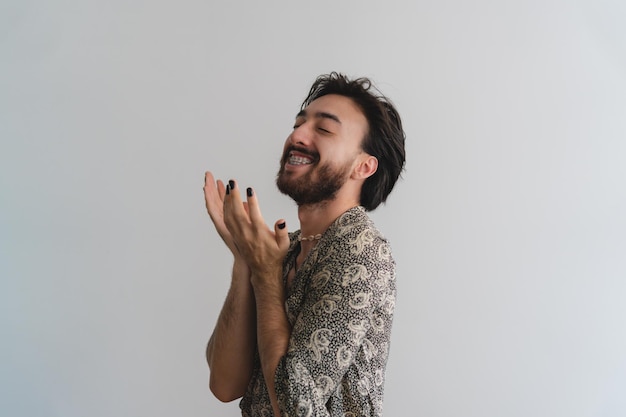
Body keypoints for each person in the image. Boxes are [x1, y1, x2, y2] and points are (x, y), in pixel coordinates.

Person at [204, 72, 406, 417]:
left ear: (364, 166)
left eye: (323, 129)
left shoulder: (360, 249)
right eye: (298, 124)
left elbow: (296, 408)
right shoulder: (284, 249)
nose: (297, 135)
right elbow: (224, 385)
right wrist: (245, 260)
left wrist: (266, 276)